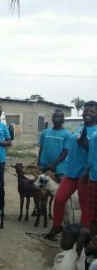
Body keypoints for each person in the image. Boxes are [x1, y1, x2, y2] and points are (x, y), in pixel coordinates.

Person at [45, 101, 97, 238]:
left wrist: (85, 144)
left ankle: (83, 234)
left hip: (85, 174)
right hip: (71, 172)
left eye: (92, 111)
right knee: (59, 198)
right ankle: (57, 226)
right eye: (86, 110)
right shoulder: (80, 127)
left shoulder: (96, 132)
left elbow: (94, 153)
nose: (88, 113)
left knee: (84, 206)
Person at [38, 109, 71, 178]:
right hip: (44, 166)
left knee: (59, 183)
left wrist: (53, 164)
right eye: (54, 117)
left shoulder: (67, 134)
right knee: (42, 183)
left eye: (58, 117)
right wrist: (39, 162)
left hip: (60, 168)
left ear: (63, 120)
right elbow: (41, 148)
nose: (56, 118)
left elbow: (65, 152)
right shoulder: (45, 132)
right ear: (52, 119)